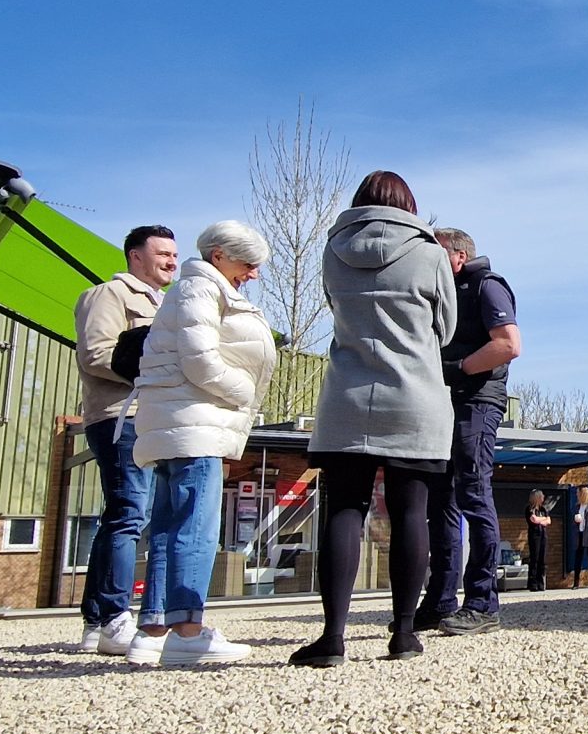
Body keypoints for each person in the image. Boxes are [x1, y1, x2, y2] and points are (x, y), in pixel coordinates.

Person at [298, 170, 456, 666]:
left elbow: (334, 308)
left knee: (344, 509)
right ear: (409, 206)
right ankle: (404, 633)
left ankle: (332, 638)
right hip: (413, 395)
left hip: (347, 395)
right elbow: (447, 328)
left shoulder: (332, 251)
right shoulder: (430, 254)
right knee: (411, 512)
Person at [124, 220, 276, 666]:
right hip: (197, 424)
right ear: (219, 256)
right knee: (196, 527)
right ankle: (189, 631)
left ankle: (153, 629)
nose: (253, 273)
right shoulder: (203, 288)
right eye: (248, 263)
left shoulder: (193, 287)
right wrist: (243, 391)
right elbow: (200, 359)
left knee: (169, 525)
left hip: (180, 422)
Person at [72, 224, 177, 655]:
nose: (171, 261)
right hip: (120, 417)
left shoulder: (166, 304)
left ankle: (96, 621)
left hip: (151, 418)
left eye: (174, 254)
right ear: (135, 255)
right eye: (163, 253)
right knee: (129, 514)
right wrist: (157, 372)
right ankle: (115, 617)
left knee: (125, 514)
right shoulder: (108, 296)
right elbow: (96, 354)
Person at [420, 227, 520, 637]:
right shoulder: (443, 292)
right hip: (445, 402)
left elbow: (509, 345)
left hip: (477, 402)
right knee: (441, 500)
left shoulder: (487, 286)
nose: (428, 257)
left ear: (459, 256)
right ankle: (440, 601)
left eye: (437, 250)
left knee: (474, 493)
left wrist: (458, 368)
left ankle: (482, 603)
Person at [523, 489, 552, 593]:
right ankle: (533, 583)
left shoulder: (543, 509)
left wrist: (541, 520)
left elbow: (549, 521)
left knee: (542, 559)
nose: (543, 497)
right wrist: (542, 520)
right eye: (541, 496)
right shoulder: (529, 509)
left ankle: (541, 583)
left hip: (543, 535)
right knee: (534, 558)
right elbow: (533, 519)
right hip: (534, 535)